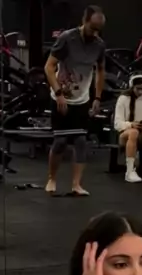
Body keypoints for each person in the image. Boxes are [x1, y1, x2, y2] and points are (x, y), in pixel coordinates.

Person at [44, 5, 106, 196]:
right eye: (92, 28)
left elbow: (100, 71)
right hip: (61, 97)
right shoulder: (67, 39)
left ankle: (76, 185)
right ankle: (52, 179)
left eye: (98, 30)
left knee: (80, 141)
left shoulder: (99, 45)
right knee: (60, 142)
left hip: (82, 99)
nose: (94, 33)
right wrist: (59, 93)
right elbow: (49, 67)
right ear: (84, 21)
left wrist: (97, 97)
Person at [114, 75, 142, 183]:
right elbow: (117, 124)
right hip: (125, 134)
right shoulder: (123, 99)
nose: (140, 91)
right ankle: (130, 171)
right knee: (133, 132)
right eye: (138, 88)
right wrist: (131, 125)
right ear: (132, 86)